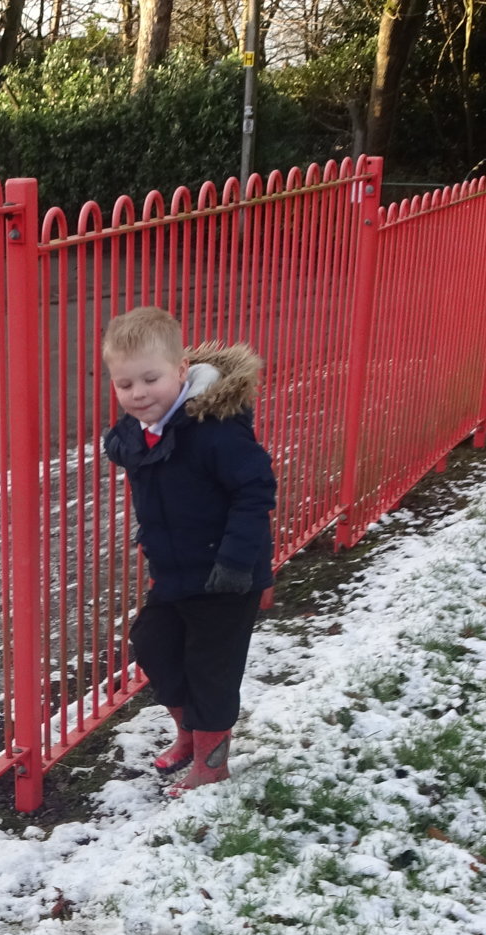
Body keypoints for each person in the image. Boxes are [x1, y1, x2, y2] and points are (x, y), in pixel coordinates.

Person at [100, 306, 277, 792]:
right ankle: (189, 733)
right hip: (176, 568)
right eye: (124, 384)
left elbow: (255, 490)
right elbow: (133, 452)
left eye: (150, 379)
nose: (137, 394)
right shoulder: (146, 428)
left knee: (211, 668)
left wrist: (238, 562)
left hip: (226, 572)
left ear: (181, 372)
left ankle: (211, 762)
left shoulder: (216, 431)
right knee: (155, 645)